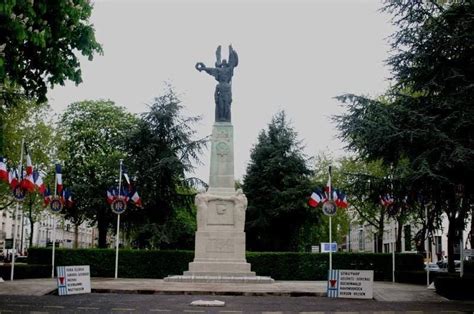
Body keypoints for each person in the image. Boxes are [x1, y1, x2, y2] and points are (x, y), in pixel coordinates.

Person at [195, 45, 238, 122]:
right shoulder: (219, 72)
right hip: (221, 96)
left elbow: (234, 63)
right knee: (221, 107)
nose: (224, 65)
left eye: (225, 64)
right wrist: (203, 68)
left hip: (227, 96)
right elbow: (211, 70)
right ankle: (221, 118)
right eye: (223, 64)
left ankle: (224, 118)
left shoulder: (228, 71)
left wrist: (232, 52)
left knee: (226, 108)